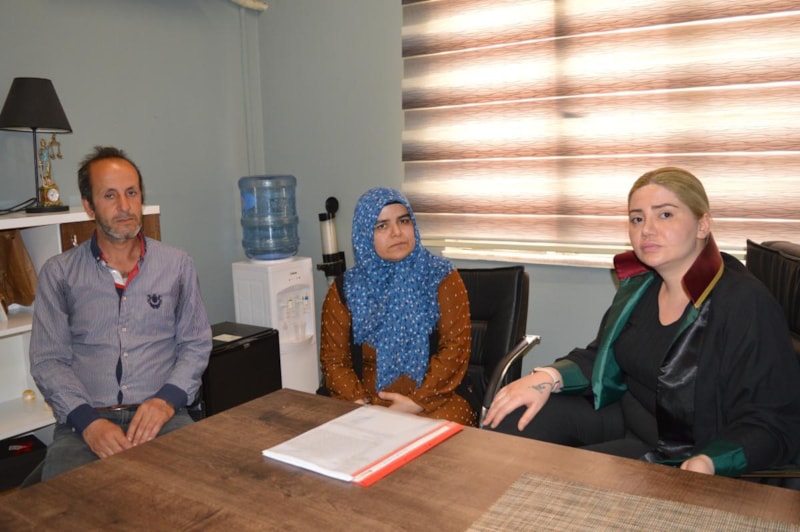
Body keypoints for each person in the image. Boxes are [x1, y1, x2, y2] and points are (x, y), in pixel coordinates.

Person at [483, 167, 800, 477]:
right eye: (637, 218)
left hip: (681, 450)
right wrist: (546, 378)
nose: (647, 229)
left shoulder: (744, 303)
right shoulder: (643, 285)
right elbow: (602, 355)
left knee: (566, 477)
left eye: (665, 214)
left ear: (703, 225)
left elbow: (773, 421)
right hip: (623, 414)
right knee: (511, 420)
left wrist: (709, 462)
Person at [29, 146, 212, 481]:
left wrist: (166, 402)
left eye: (131, 193)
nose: (125, 206)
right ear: (89, 206)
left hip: (163, 416)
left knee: (202, 489)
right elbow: (48, 360)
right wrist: (87, 422)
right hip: (85, 423)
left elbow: (196, 344)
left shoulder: (177, 265)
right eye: (110, 196)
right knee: (65, 503)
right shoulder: (60, 274)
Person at [320, 187, 475, 426]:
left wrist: (416, 402)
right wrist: (361, 407)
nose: (397, 232)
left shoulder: (442, 278)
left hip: (435, 399)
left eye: (403, 221)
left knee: (431, 442)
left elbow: (454, 351)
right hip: (364, 403)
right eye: (382, 226)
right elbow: (334, 361)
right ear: (364, 235)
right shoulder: (345, 289)